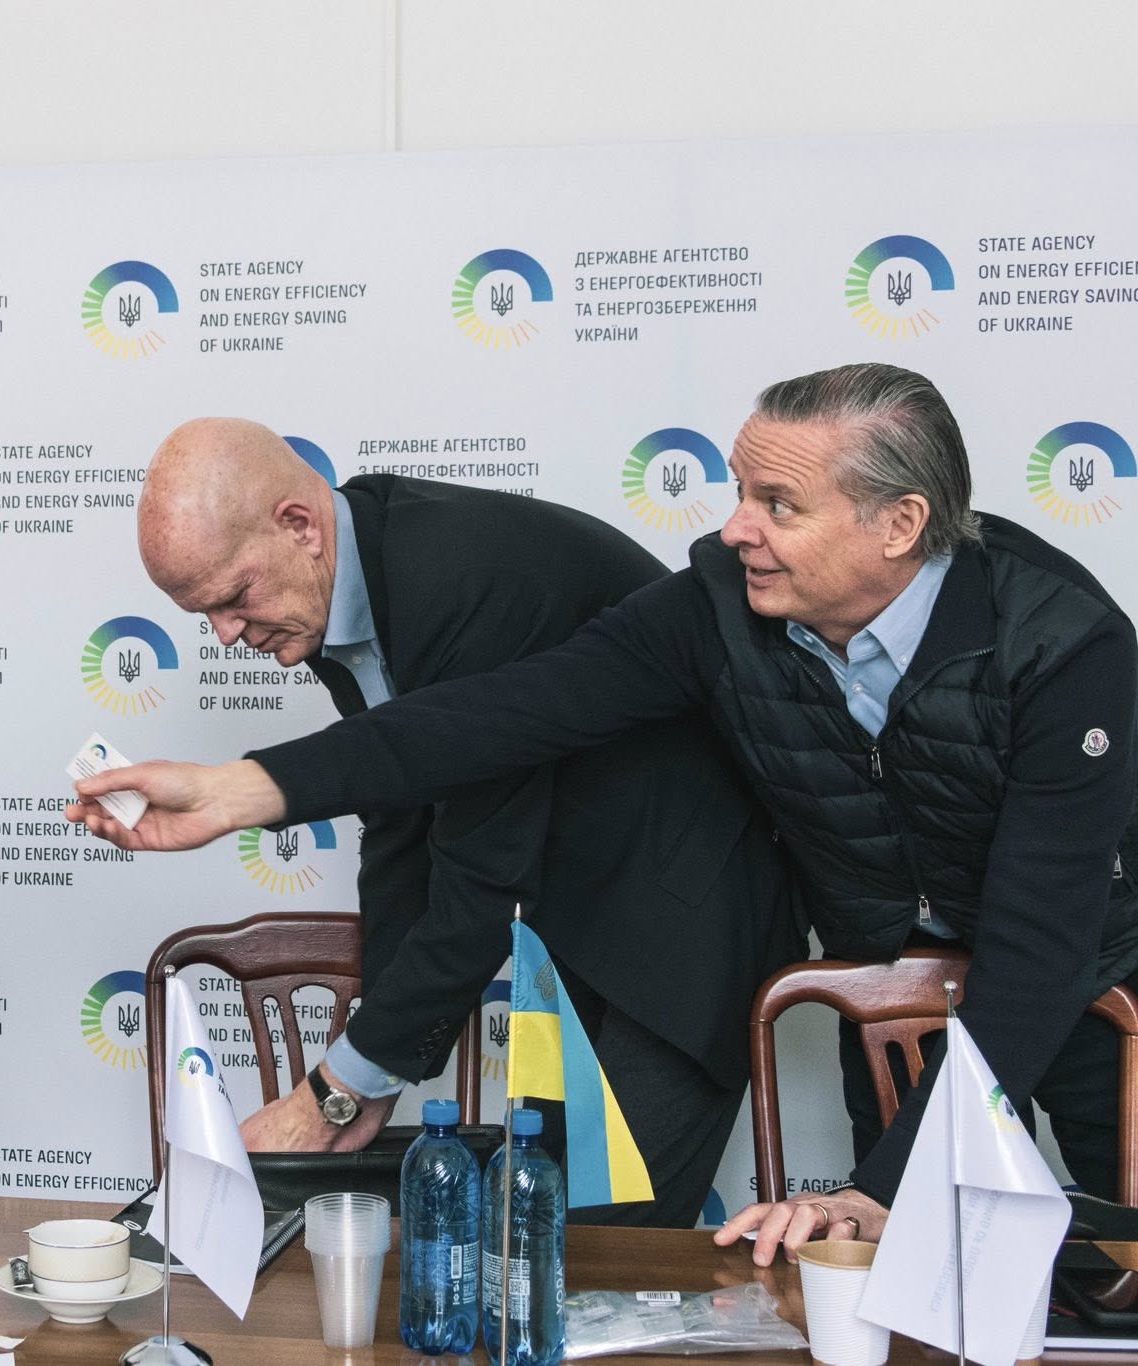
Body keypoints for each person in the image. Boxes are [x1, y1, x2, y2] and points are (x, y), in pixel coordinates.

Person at [72, 364, 1138, 1266]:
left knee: (1114, 1270)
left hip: (1091, 980)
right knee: (909, 1288)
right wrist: (239, 789)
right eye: (739, 492)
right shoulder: (719, 601)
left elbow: (1039, 949)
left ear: (898, 523)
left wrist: (882, 1189)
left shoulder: (1062, 645)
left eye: (778, 504)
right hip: (886, 985)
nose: (736, 529)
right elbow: (493, 718)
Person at [133, 418, 798, 1228]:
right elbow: (401, 829)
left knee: (602, 1256)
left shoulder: (465, 577)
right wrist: (375, 1070)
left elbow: (485, 871)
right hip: (577, 931)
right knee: (538, 1241)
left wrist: (334, 1096)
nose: (227, 634)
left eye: (234, 598)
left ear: (299, 526)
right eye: (204, 614)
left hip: (682, 930)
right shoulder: (338, 584)